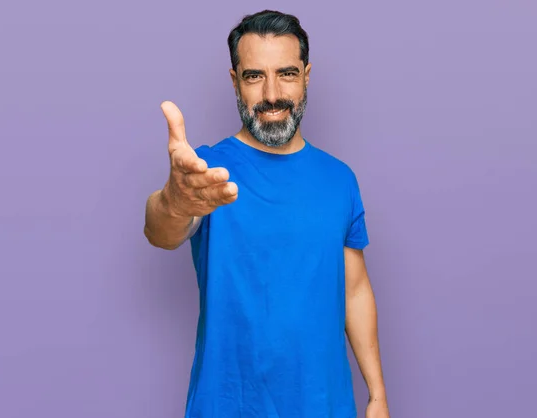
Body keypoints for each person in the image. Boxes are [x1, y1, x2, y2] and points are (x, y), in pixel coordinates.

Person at [144, 10, 390, 418]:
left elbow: (355, 289)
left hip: (325, 405)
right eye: (255, 76)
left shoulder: (339, 179)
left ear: (307, 75)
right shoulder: (205, 172)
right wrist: (175, 201)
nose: (272, 93)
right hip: (227, 405)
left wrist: (377, 394)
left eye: (287, 74)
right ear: (235, 81)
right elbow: (161, 230)